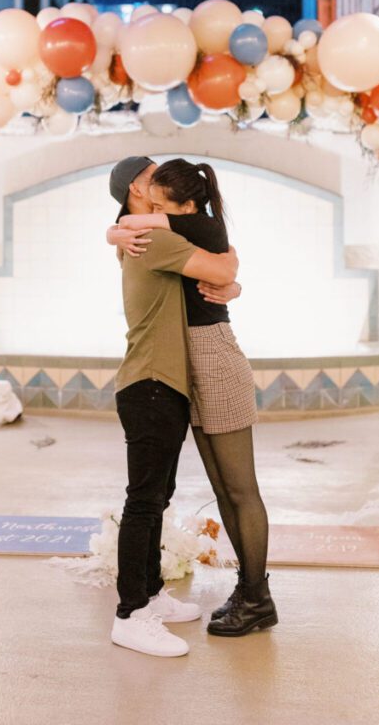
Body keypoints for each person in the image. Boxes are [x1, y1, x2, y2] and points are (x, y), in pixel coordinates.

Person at [110, 158, 277, 638]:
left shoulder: (186, 229)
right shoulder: (148, 236)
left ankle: (257, 596)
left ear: (185, 208)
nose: (154, 198)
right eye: (149, 186)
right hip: (186, 364)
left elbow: (224, 258)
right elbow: (220, 262)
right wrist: (116, 230)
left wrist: (232, 282)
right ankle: (249, 592)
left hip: (213, 356)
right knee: (223, 489)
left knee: (240, 488)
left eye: (164, 202)